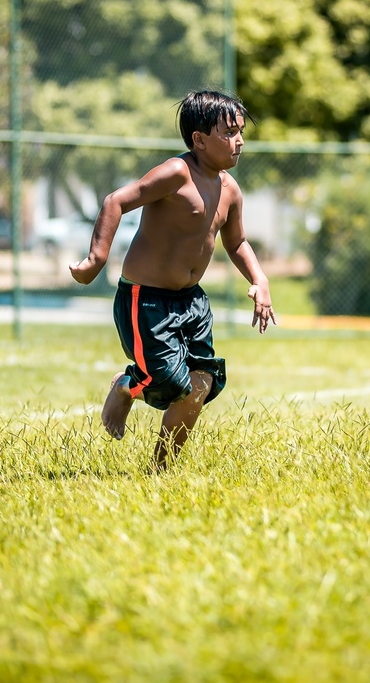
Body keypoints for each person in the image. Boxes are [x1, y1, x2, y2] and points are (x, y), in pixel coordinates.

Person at [69, 90, 276, 470]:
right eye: (229, 133)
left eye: (241, 131)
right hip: (145, 301)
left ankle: (161, 470)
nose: (240, 141)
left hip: (192, 302)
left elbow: (238, 242)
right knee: (167, 382)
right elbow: (116, 201)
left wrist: (259, 279)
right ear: (199, 140)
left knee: (200, 383)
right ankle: (127, 385)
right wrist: (96, 259)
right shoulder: (176, 173)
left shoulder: (230, 189)